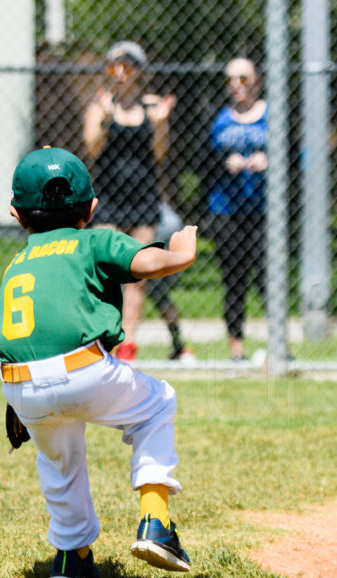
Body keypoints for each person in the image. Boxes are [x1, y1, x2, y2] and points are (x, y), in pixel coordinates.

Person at [0, 147, 196, 578]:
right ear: (91, 207)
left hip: (19, 384)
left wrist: (20, 405)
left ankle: (72, 559)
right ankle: (156, 522)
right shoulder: (95, 239)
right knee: (157, 404)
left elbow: (13, 333)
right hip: (83, 370)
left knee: (60, 461)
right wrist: (181, 251)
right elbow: (147, 262)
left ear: (15, 213)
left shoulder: (16, 264)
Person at [83, 40, 176, 361]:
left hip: (143, 200)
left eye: (127, 67)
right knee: (109, 272)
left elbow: (161, 154)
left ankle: (129, 342)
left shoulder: (152, 107)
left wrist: (162, 122)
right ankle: (107, 336)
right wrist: (107, 118)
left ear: (139, 71)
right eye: (114, 67)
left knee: (137, 275)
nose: (120, 73)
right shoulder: (100, 105)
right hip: (110, 198)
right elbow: (92, 148)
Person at [207, 57, 268, 361]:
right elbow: (201, 162)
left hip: (263, 212)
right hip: (225, 212)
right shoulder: (219, 118)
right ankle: (236, 350)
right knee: (234, 279)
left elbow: (296, 157)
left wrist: (269, 162)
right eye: (231, 79)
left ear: (256, 81)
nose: (236, 85)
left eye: (243, 78)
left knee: (267, 278)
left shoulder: (272, 115)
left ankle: (278, 347)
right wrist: (224, 163)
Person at [145, 202, 195, 361]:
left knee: (157, 294)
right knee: (159, 296)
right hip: (163, 217)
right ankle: (178, 344)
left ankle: (178, 344)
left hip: (158, 221)